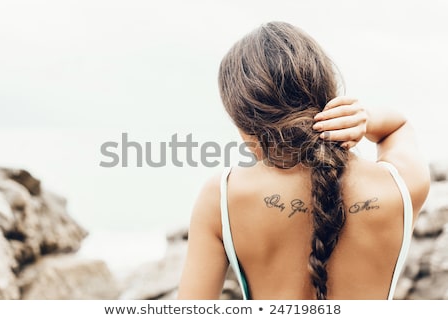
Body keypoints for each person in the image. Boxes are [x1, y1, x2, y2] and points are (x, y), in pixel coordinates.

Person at [177, 21, 430, 300]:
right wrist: (364, 116)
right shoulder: (399, 186)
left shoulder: (221, 196)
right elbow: (399, 126)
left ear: (244, 125)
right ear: (328, 95)